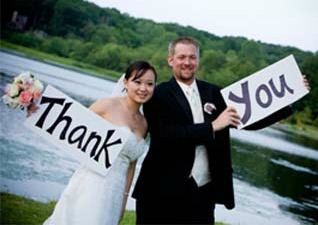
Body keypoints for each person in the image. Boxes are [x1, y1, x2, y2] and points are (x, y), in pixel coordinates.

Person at [132, 36, 310, 224]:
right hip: (160, 190)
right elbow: (167, 135)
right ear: (171, 60)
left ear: (198, 61)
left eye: (192, 57)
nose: (187, 62)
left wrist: (288, 97)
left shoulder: (214, 93)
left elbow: (248, 118)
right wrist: (214, 126)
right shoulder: (157, 94)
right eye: (181, 57)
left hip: (203, 192)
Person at [41, 60, 157, 225]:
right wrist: (37, 107)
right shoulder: (106, 106)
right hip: (92, 182)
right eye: (137, 82)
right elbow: (69, 124)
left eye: (149, 84)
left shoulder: (144, 123)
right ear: (125, 82)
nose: (143, 88)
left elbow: (131, 165)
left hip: (115, 192)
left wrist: (123, 201)